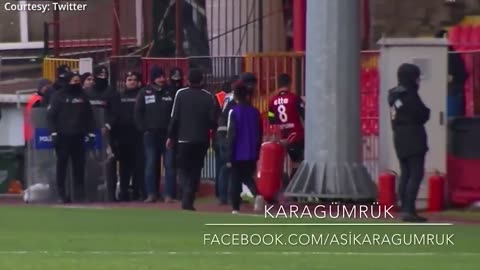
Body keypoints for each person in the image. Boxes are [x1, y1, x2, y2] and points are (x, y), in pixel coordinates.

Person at [166, 69, 218, 211]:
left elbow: (174, 118)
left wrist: (170, 136)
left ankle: (186, 192)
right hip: (201, 139)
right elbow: (213, 120)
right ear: (202, 80)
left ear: (188, 80)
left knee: (183, 169)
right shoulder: (208, 97)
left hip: (183, 139)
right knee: (196, 169)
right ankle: (189, 195)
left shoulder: (180, 94)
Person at [388, 63, 430, 223]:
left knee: (405, 173)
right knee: (416, 173)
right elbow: (422, 113)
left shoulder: (393, 95)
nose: (418, 80)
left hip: (399, 135)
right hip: (414, 136)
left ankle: (404, 207)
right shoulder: (410, 94)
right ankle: (409, 209)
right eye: (417, 77)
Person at [47, 72, 96, 203]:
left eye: (78, 81)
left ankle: (79, 194)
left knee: (79, 166)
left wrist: (91, 133)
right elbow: (51, 116)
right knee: (61, 166)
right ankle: (61, 194)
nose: (76, 83)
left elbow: (89, 116)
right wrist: (54, 133)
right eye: (74, 81)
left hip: (78, 136)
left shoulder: (83, 97)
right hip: (63, 137)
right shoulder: (58, 96)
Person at [135, 66, 176, 203]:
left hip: (167, 135)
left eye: (163, 76)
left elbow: (175, 113)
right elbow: (138, 113)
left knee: (169, 165)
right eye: (158, 77)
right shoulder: (144, 93)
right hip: (150, 134)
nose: (162, 79)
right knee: (151, 164)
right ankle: (151, 194)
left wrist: (172, 131)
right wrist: (144, 129)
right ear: (153, 78)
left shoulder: (171, 92)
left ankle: (169, 195)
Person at [226, 82, 264, 214]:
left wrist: (229, 155)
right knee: (247, 176)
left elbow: (232, 135)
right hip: (252, 151)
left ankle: (235, 208)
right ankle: (257, 194)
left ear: (235, 96)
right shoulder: (255, 112)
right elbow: (260, 132)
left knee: (235, 179)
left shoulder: (234, 112)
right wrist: (257, 151)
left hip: (237, 152)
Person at [85, 65, 122, 202]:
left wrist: (107, 125)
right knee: (91, 164)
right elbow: (84, 112)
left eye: (105, 75)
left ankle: (111, 195)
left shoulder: (112, 93)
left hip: (108, 135)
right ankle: (91, 194)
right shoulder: (87, 93)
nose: (102, 78)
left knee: (109, 164)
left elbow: (117, 112)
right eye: (100, 75)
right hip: (91, 134)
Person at [268, 74, 305, 180]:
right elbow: (304, 115)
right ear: (290, 83)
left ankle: (291, 190)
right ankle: (292, 190)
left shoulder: (272, 101)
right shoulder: (294, 98)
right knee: (299, 164)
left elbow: (271, 119)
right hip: (297, 135)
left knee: (293, 164)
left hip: (284, 137)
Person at [116, 72, 145, 201]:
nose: (132, 82)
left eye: (134, 79)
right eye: (129, 79)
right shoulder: (119, 96)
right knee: (124, 166)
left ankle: (137, 191)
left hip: (139, 135)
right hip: (123, 136)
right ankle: (123, 191)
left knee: (139, 165)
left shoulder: (143, 95)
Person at [215, 75, 239, 205]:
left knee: (224, 166)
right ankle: (230, 196)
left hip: (221, 130)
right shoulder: (236, 97)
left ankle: (223, 196)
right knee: (229, 166)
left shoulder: (225, 96)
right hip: (228, 132)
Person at [435, 29, 468, 117]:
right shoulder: (437, 54)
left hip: (452, 92)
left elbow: (463, 74)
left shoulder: (452, 55)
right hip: (442, 92)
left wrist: (452, 78)